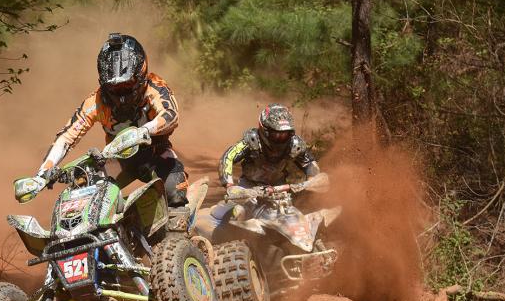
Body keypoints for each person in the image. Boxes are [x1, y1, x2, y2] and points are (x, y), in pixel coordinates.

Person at [31, 33, 190, 220]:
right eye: (114, 88)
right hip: (116, 158)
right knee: (85, 194)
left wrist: (144, 131)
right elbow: (66, 137)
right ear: (104, 84)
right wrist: (42, 173)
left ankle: (180, 235)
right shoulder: (96, 102)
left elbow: (171, 115)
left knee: (174, 188)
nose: (122, 94)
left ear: (142, 76)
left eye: (128, 85)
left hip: (155, 153)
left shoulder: (155, 87)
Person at [218, 104, 322, 191]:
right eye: (276, 134)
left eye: (284, 134)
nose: (280, 137)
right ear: (264, 130)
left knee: (289, 213)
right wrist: (229, 185)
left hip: (279, 189)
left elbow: (309, 164)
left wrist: (312, 181)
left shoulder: (295, 144)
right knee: (239, 211)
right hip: (248, 188)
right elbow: (228, 157)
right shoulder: (252, 140)